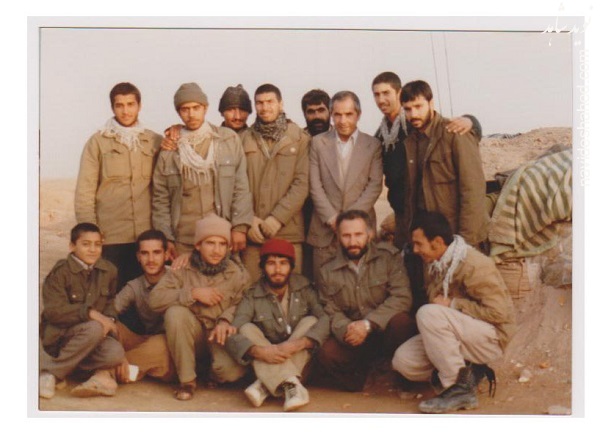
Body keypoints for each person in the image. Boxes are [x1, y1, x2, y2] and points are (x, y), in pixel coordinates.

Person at [392, 212, 515, 413]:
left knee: (428, 314)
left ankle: (457, 389)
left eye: (419, 244)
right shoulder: (435, 264)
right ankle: (469, 371)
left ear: (437, 242)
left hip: (491, 337)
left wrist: (453, 304)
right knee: (403, 361)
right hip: (458, 333)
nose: (415, 250)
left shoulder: (473, 264)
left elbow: (499, 313)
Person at [370, 72, 482, 249]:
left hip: (447, 224)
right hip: (410, 219)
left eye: (386, 93)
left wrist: (471, 121)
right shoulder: (391, 136)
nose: (381, 99)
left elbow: (472, 190)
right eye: (376, 94)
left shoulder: (449, 132)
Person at [148, 214, 250, 400]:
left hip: (219, 336)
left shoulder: (237, 274)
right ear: (197, 245)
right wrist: (192, 293)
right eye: (210, 243)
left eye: (222, 244)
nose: (216, 250)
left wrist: (226, 320)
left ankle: (209, 372)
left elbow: (244, 303)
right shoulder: (183, 268)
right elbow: (155, 300)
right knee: (175, 313)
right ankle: (187, 381)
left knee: (229, 372)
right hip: (193, 335)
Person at [314, 210, 415, 392]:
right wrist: (347, 328)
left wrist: (368, 324)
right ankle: (364, 381)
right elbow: (328, 308)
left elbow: (402, 297)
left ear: (370, 234)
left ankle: (395, 373)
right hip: (353, 337)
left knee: (402, 323)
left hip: (383, 330)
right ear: (338, 237)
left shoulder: (388, 257)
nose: (353, 241)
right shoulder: (327, 269)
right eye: (346, 236)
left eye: (358, 234)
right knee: (326, 352)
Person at [75, 82, 162, 290]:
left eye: (130, 104)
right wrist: (91, 236)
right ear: (112, 107)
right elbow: (85, 192)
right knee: (112, 295)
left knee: (148, 297)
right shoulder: (98, 142)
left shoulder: (154, 140)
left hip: (146, 238)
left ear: (139, 106)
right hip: (111, 238)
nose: (125, 111)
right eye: (119, 105)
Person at [225, 238, 329, 411]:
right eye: (271, 263)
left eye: (283, 263)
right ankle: (292, 387)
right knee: (246, 328)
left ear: (291, 266)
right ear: (263, 266)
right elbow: (233, 332)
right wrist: (259, 351)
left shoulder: (304, 288)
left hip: (300, 360)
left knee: (311, 321)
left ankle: (264, 385)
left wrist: (299, 344)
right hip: (266, 357)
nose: (278, 269)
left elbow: (325, 318)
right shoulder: (252, 294)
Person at [152, 82, 253, 258]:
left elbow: (241, 187)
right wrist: (166, 237)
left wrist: (240, 227)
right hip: (183, 238)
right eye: (185, 109)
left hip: (220, 235)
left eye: (196, 108)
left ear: (205, 108)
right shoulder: (169, 149)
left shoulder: (228, 140)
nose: (191, 114)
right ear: (178, 112)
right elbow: (161, 198)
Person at [39, 223, 124, 399]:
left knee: (115, 353)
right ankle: (50, 374)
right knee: (94, 327)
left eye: (97, 244)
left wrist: (109, 321)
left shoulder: (109, 270)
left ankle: (68, 368)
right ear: (72, 246)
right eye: (86, 244)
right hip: (60, 336)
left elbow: (110, 302)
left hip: (93, 337)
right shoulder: (61, 272)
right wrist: (91, 313)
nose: (93, 250)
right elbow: (54, 312)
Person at [307, 91, 383, 281]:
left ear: (358, 114)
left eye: (348, 114)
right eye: (337, 114)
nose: (342, 120)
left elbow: (374, 185)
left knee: (361, 284)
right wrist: (332, 218)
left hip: (360, 229)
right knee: (325, 285)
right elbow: (315, 185)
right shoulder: (318, 143)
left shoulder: (373, 145)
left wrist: (351, 220)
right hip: (325, 229)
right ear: (331, 115)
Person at [240, 83, 310, 281]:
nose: (265, 107)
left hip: (288, 231)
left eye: (270, 102)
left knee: (290, 288)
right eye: (260, 103)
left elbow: (302, 183)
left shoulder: (300, 138)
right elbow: (238, 185)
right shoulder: (244, 139)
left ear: (281, 104)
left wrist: (277, 218)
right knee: (252, 289)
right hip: (254, 233)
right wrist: (248, 219)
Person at [112, 229, 176, 385]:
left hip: (171, 345)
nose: (151, 259)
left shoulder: (178, 277)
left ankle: (107, 370)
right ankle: (132, 366)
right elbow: (111, 309)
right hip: (146, 340)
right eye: (145, 253)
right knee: (111, 327)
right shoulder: (135, 285)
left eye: (156, 253)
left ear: (166, 255)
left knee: (160, 346)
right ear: (138, 257)